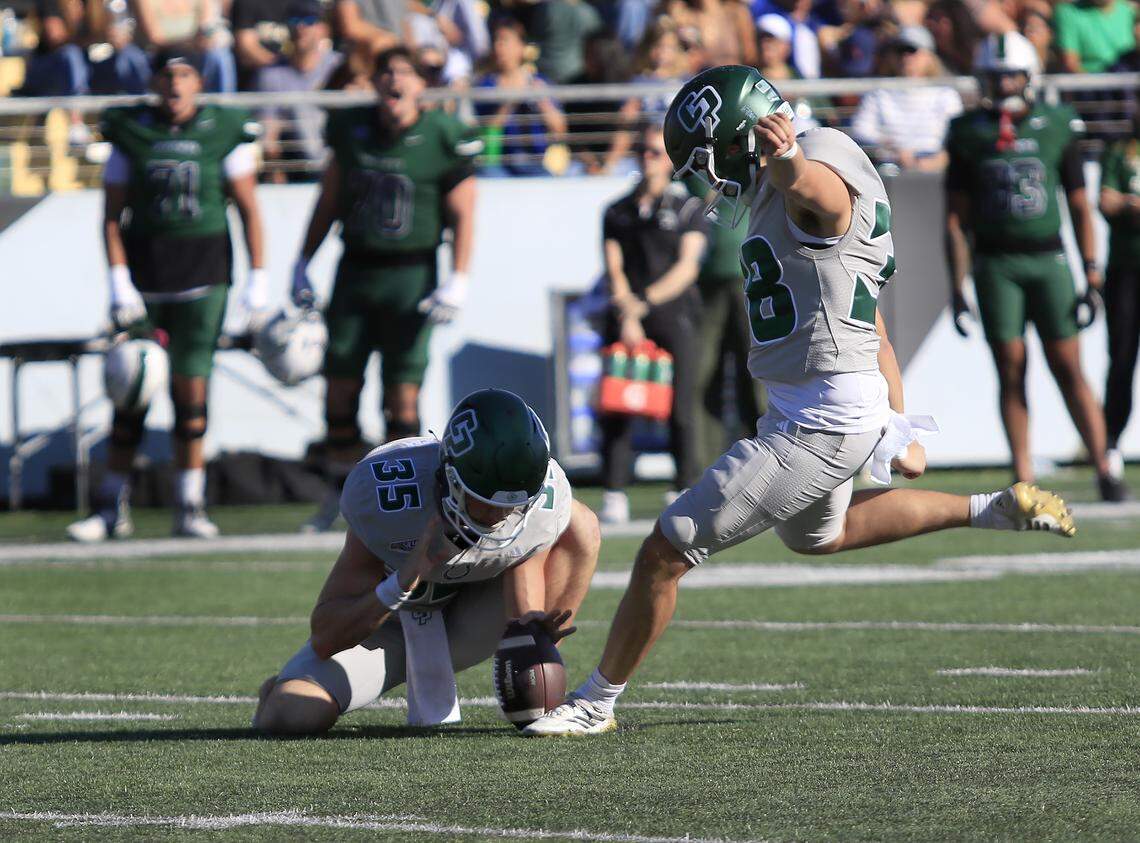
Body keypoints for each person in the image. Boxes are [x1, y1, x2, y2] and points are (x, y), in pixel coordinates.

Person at [523, 64, 1077, 736]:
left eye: (708, 159)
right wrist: (897, 422)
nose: (709, 178)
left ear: (741, 139)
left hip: (819, 417)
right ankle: (992, 508)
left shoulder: (818, 165)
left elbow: (820, 195)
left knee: (664, 550)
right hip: (825, 401)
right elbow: (869, 324)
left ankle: (594, 701)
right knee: (821, 535)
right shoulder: (791, 187)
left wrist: (786, 159)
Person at [253, 389, 602, 735]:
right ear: (450, 477)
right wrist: (406, 577)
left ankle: (535, 661)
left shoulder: (542, 500)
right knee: (292, 714)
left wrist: (528, 637)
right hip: (390, 624)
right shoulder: (386, 495)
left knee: (581, 525)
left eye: (514, 506)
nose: (501, 516)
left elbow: (522, 557)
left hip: (470, 621)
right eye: (487, 502)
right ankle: (279, 686)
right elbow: (325, 636)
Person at [67, 51, 267, 542]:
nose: (175, 85)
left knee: (190, 393)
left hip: (204, 275)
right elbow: (112, 216)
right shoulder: (130, 130)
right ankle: (112, 505)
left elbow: (248, 210)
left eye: (184, 74)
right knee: (129, 392)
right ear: (154, 81)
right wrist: (118, 279)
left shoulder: (225, 128)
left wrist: (259, 277)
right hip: (144, 278)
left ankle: (190, 503)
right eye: (167, 75)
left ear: (199, 81)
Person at [292, 45, 481, 533]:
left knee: (401, 398)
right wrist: (302, 260)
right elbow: (329, 198)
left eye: (405, 72)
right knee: (339, 391)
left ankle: (409, 503)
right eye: (386, 72)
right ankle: (339, 495)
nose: (395, 81)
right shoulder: (353, 130)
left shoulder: (443, 134)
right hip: (355, 269)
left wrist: (458, 276)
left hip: (412, 274)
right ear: (374, 83)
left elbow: (464, 211)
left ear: (421, 84)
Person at [944, 32, 1127, 502]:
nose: (1002, 82)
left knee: (1069, 366)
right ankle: (1023, 474)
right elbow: (955, 217)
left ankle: (1105, 462)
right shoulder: (967, 130)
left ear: (1029, 76)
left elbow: (1080, 205)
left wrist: (1090, 269)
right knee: (1010, 366)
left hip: (1049, 258)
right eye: (994, 74)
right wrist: (956, 283)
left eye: (1010, 73)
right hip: (995, 262)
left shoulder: (1058, 123)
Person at [597, 122, 707, 525]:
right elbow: (614, 266)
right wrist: (628, 313)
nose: (648, 158)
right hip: (628, 318)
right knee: (617, 406)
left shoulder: (687, 210)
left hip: (673, 315)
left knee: (681, 408)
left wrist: (642, 305)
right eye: (642, 151)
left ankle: (683, 485)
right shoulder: (617, 211)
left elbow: (687, 268)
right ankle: (613, 489)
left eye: (655, 152)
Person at [851, 26, 962, 173]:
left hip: (936, 168)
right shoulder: (879, 93)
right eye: (900, 51)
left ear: (928, 56)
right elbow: (860, 130)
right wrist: (893, 149)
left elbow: (956, 136)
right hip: (889, 167)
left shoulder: (945, 94)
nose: (905, 58)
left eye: (912, 51)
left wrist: (939, 159)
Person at [1097, 115, 1140, 488]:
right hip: (1127, 270)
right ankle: (1110, 445)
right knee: (1122, 360)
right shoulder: (1120, 150)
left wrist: (1126, 203)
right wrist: (1129, 204)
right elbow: (1105, 201)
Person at [256, 0, 343, 182]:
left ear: (323, 29)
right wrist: (275, 170)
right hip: (296, 169)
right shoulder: (271, 74)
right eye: (295, 20)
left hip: (338, 165)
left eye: (309, 20)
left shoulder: (339, 67)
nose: (301, 27)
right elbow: (269, 132)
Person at [473, 17, 566, 177]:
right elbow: (487, 129)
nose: (499, 47)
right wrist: (512, 100)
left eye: (505, 41)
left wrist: (543, 101)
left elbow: (559, 130)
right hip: (498, 165)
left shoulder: (540, 82)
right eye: (496, 41)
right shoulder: (485, 85)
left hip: (535, 164)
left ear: (520, 46)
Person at [1054, 0, 1135, 74]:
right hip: (1091, 85)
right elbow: (1070, 63)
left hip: (1129, 80)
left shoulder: (1129, 9)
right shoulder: (1067, 12)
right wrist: (1095, 84)